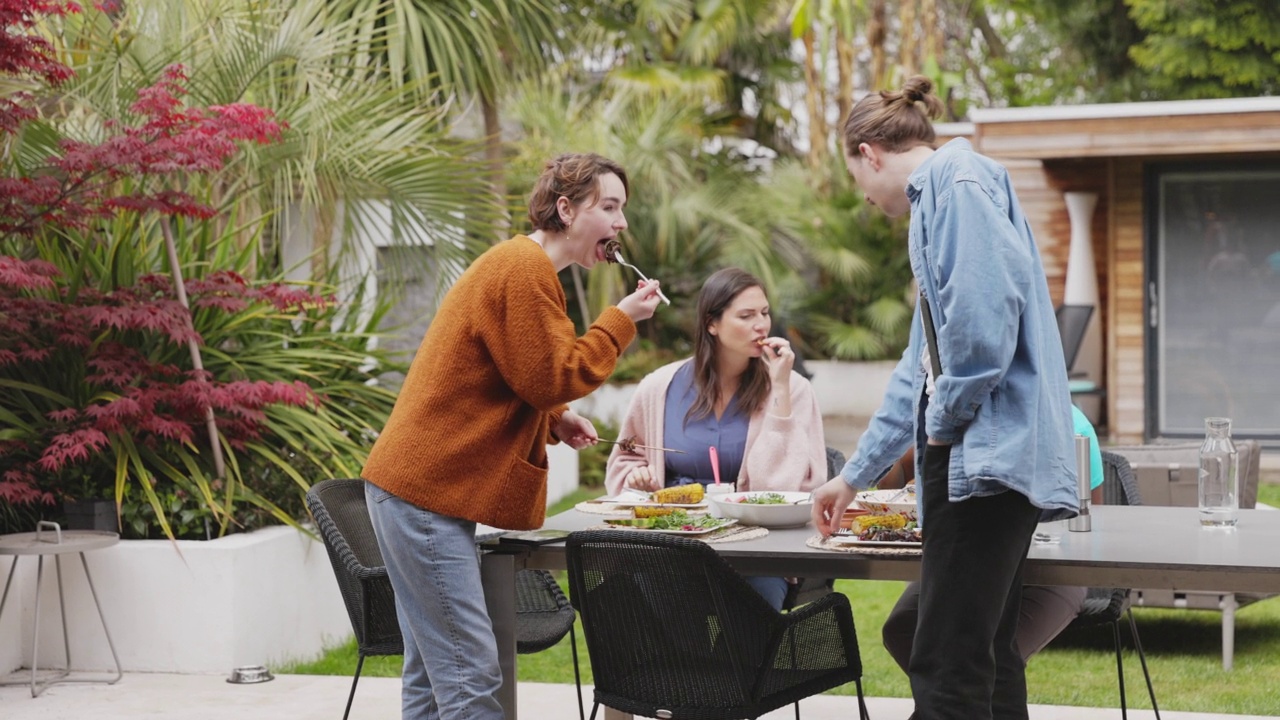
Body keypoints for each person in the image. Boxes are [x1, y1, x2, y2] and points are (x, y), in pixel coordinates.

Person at [810, 75, 1079, 720]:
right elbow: (919, 367)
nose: (866, 198)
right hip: (988, 460)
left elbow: (983, 332)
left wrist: (943, 425)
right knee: (985, 654)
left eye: (856, 179)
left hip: (979, 461)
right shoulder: (946, 197)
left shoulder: (956, 185)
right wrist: (854, 476)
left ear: (869, 154)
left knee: (947, 662)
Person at [361, 153, 663, 720]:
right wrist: (619, 320)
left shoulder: (523, 267)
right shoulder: (523, 269)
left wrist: (553, 417)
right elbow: (553, 374)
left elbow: (511, 372)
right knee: (471, 674)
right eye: (610, 207)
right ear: (566, 208)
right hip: (424, 496)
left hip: (415, 492)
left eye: (624, 209)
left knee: (433, 675)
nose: (622, 223)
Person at [605, 267, 827, 609]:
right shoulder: (658, 387)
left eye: (765, 313)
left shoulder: (793, 389)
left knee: (754, 610)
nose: (761, 325)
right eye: (746, 315)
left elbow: (781, 490)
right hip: (671, 546)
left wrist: (780, 388)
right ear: (712, 323)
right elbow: (627, 458)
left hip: (756, 554)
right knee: (641, 608)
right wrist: (638, 480)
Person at [880, 406, 1104, 669]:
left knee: (992, 659)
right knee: (903, 629)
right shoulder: (958, 414)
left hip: (1052, 573)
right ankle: (950, 707)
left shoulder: (1073, 428)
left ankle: (954, 706)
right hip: (964, 563)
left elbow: (1090, 524)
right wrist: (891, 443)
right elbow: (891, 486)